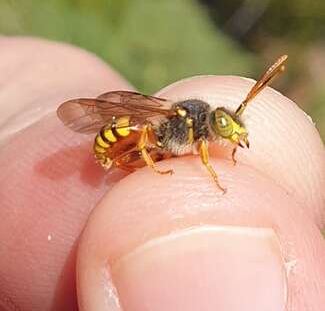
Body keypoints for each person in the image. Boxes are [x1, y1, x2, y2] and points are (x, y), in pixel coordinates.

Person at [0, 37, 324, 311]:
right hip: (126, 135)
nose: (232, 132)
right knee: (143, 134)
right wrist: (170, 167)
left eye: (231, 128)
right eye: (228, 127)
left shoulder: (207, 132)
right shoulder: (185, 121)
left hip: (139, 153)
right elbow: (153, 133)